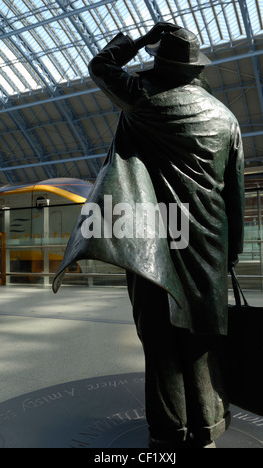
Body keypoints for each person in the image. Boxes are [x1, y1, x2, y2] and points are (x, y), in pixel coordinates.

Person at [53, 23, 245, 448]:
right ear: (196, 69)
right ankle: (208, 427)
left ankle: (170, 430)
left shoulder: (142, 97)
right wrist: (232, 252)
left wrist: (136, 39)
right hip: (208, 244)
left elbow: (101, 65)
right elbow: (235, 196)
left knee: (159, 339)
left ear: (161, 63)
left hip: (151, 240)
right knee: (202, 336)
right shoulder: (225, 118)